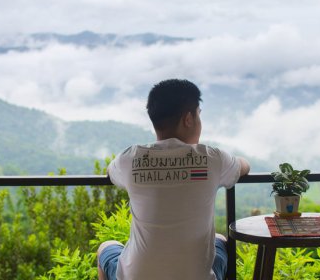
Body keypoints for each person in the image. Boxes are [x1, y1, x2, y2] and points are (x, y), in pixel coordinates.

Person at [96, 79, 250, 280]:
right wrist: (236, 160)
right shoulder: (212, 158)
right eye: (198, 116)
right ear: (188, 118)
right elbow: (243, 166)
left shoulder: (130, 158)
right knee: (220, 239)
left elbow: (110, 172)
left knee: (106, 248)